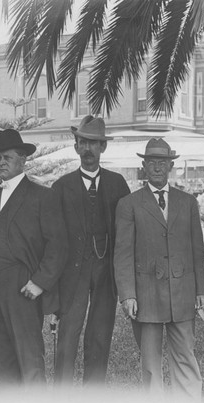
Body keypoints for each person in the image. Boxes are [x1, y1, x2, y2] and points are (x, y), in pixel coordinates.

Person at [114, 138, 204, 401]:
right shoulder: (129, 204)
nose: (157, 167)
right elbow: (122, 254)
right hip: (146, 295)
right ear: (143, 166)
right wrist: (128, 295)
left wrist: (201, 289)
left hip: (183, 293)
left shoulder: (187, 202)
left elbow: (197, 250)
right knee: (151, 363)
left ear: (170, 166)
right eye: (152, 162)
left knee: (185, 355)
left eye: (162, 163)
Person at [0, 129, 67, 386]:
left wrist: (40, 282)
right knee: (0, 356)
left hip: (23, 288)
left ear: (23, 159)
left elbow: (58, 245)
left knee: (29, 357)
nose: (1, 162)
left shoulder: (42, 195)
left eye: (7, 157)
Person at [51, 115, 130, 385]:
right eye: (83, 142)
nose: (88, 149)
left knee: (100, 335)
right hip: (72, 274)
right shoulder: (61, 187)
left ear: (103, 148)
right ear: (75, 146)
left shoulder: (118, 184)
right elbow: (53, 240)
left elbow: (127, 234)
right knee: (67, 336)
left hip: (105, 273)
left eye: (94, 144)